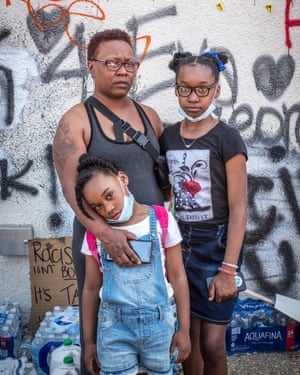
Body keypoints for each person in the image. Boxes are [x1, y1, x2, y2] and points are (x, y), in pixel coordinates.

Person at [52, 29, 167, 373]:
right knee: (104, 330)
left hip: (152, 242)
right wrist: (107, 235)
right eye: (112, 62)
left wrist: (166, 227)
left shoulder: (151, 117)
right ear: (91, 66)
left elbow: (164, 178)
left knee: (154, 328)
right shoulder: (76, 120)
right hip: (100, 243)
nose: (122, 70)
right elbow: (74, 192)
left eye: (129, 63)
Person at [159, 51, 248, 375]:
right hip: (181, 247)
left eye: (203, 89)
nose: (193, 98)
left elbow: (239, 208)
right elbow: (169, 191)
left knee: (212, 342)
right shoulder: (168, 137)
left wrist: (228, 268)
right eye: (185, 88)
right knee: (188, 341)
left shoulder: (227, 138)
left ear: (217, 91)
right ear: (176, 89)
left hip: (217, 247)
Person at [75, 154, 191, 375]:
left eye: (109, 196)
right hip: (114, 331)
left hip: (160, 327)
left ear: (123, 179)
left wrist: (184, 329)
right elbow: (90, 288)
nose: (108, 208)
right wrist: (89, 343)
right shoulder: (95, 235)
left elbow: (178, 276)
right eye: (97, 206)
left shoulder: (162, 220)